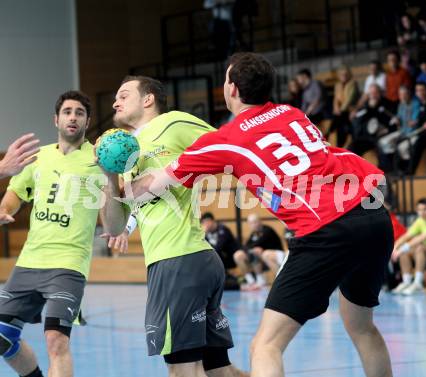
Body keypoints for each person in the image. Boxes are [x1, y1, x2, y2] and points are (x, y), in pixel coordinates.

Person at [130, 52, 395, 377]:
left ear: (232, 89)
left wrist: (113, 172)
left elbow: (150, 186)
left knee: (265, 346)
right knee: (362, 328)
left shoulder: (224, 140)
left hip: (326, 230)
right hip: (373, 218)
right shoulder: (292, 113)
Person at [99, 76, 247, 377]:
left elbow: (230, 141)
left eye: (124, 95)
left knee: (182, 370)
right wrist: (108, 175)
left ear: (148, 99)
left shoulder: (172, 123)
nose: (116, 102)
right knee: (220, 370)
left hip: (178, 261)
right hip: (187, 262)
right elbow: (113, 226)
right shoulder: (128, 152)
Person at [0, 91, 103, 377]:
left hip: (68, 263)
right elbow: (14, 194)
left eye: (79, 112)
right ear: (56, 119)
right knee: (2, 335)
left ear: (87, 121)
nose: (73, 116)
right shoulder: (37, 158)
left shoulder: (98, 159)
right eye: (67, 111)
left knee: (56, 340)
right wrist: (5, 209)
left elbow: (115, 201)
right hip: (30, 260)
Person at [391, 198, 426, 295]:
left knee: (419, 247)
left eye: (425, 209)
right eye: (419, 210)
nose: (422, 212)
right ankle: (407, 282)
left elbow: (423, 237)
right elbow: (407, 236)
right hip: (424, 248)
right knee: (404, 252)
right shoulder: (420, 221)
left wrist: (405, 247)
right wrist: (395, 248)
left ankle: (418, 283)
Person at [233, 213, 283, 290]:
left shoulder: (267, 231)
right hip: (261, 260)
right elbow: (245, 247)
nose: (254, 225)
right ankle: (251, 281)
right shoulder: (253, 235)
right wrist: (248, 249)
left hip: (274, 257)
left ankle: (261, 280)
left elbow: (257, 243)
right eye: (251, 223)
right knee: (238, 255)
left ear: (260, 221)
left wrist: (250, 249)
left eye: (255, 222)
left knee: (256, 250)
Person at [377, 85, 419, 173]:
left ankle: (405, 169)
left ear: (409, 94)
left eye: (404, 94)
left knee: (402, 147)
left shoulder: (416, 104)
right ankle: (391, 166)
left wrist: (414, 122)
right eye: (400, 94)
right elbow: (399, 117)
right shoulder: (401, 105)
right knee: (383, 142)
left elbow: (416, 120)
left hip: (413, 133)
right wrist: (396, 119)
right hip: (402, 131)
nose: (402, 97)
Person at [326, 65, 360, 147]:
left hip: (350, 109)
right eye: (342, 74)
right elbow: (336, 99)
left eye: (345, 74)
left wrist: (340, 110)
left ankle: (328, 134)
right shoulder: (337, 85)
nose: (343, 76)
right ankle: (337, 141)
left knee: (338, 122)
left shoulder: (353, 83)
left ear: (349, 75)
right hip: (341, 112)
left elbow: (349, 99)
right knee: (339, 123)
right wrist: (336, 108)